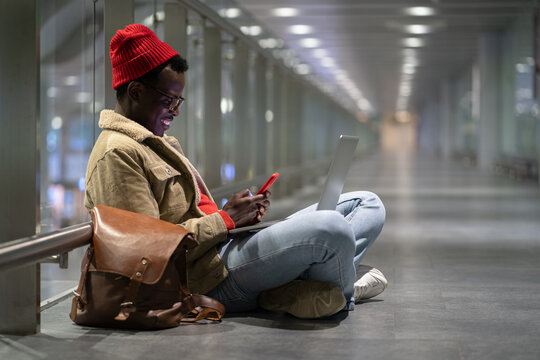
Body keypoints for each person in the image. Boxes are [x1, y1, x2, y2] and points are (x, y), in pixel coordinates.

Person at [84, 24, 387, 319]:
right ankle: (335, 293)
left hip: (223, 248)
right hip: (206, 278)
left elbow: (190, 217)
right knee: (330, 228)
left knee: (368, 204)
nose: (176, 110)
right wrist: (225, 220)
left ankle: (301, 287)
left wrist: (235, 217)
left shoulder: (155, 142)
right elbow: (147, 251)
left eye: (179, 100)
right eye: (168, 100)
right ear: (135, 92)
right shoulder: (118, 153)